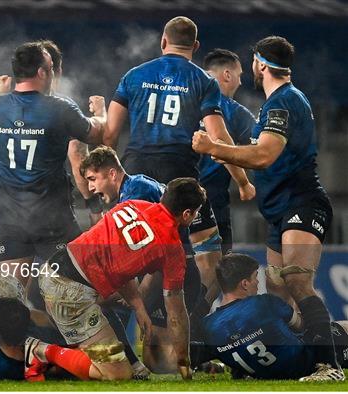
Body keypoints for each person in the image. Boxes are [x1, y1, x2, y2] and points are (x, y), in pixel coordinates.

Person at [192, 36, 343, 381]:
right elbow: (260, 149)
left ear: (260, 64)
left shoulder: (283, 102)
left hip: (302, 203)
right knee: (277, 288)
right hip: (280, 211)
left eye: (252, 66)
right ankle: (292, 361)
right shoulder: (278, 103)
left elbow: (264, 154)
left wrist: (214, 146)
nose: (250, 73)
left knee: (296, 280)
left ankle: (327, 364)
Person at [104, 16, 255, 308]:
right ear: (195, 46)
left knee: (132, 252)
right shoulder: (203, 81)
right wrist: (243, 181)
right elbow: (218, 138)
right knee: (208, 253)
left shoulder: (134, 75)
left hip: (134, 171)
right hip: (178, 178)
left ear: (163, 41)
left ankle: (124, 320)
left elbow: (110, 134)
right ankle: (194, 323)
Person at [26, 177, 207, 381]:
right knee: (118, 376)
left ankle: (119, 361)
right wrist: (183, 362)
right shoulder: (172, 251)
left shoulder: (132, 205)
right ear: (187, 214)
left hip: (55, 270)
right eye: (197, 212)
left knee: (109, 324)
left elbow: (119, 264)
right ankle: (40, 350)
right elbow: (176, 315)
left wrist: (138, 306)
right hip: (72, 295)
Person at [0, 41, 106, 286]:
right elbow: (86, 146)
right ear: (44, 72)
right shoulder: (60, 109)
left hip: (9, 218)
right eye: (52, 67)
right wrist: (101, 113)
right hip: (52, 218)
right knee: (74, 292)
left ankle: (9, 321)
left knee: (12, 296)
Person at [80, 145, 204, 373]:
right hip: (168, 271)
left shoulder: (136, 193)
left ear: (112, 174)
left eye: (92, 178)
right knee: (156, 361)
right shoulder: (135, 186)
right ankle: (199, 360)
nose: (90, 187)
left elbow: (155, 251)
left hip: (172, 273)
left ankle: (130, 365)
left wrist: (138, 297)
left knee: (97, 304)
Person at [199, 253, 347, 381]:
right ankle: (330, 366)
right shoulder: (263, 303)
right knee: (338, 327)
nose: (257, 283)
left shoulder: (207, 325)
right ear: (244, 284)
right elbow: (303, 326)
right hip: (306, 364)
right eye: (255, 277)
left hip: (261, 372)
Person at [199, 49, 257, 255]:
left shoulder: (183, 100)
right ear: (226, 75)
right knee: (220, 268)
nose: (240, 82)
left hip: (171, 196)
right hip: (213, 201)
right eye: (239, 75)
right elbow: (262, 150)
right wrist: (244, 183)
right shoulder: (235, 112)